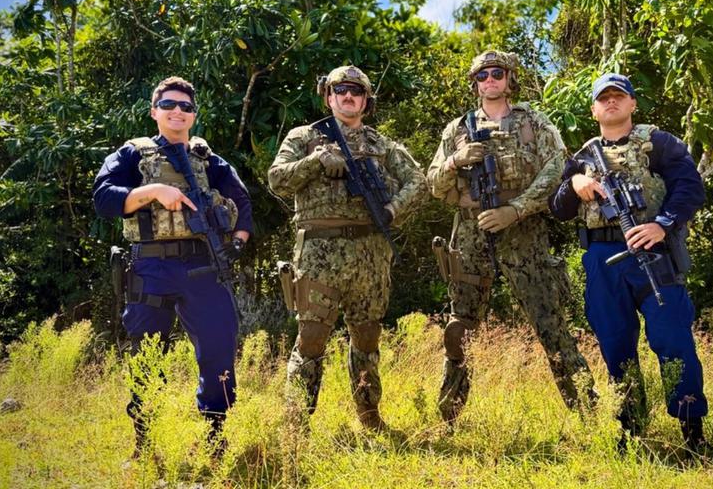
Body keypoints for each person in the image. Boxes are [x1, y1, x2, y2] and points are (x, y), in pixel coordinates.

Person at [548, 72, 712, 453]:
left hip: (654, 254)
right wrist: (574, 185)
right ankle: (631, 432)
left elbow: (690, 188)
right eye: (603, 98)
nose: (611, 102)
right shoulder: (582, 158)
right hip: (603, 261)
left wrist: (662, 224)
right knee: (615, 344)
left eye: (618, 96)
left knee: (673, 340)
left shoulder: (659, 143)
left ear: (632, 103)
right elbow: (558, 208)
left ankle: (693, 434)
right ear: (593, 109)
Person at [427, 50, 593, 424]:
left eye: (496, 73)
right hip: (472, 230)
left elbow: (557, 170)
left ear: (509, 78)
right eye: (482, 76)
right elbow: (433, 182)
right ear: (475, 83)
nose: (490, 80)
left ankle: (590, 413)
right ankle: (447, 419)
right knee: (461, 326)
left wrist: (516, 209)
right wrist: (456, 160)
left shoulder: (534, 121)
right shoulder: (457, 129)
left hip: (524, 231)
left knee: (549, 322)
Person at [93, 76, 252, 456]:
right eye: (168, 105)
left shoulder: (208, 159)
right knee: (147, 353)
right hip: (152, 267)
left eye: (185, 106)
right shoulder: (133, 154)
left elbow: (242, 204)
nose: (177, 111)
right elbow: (103, 198)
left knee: (218, 349)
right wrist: (154, 191)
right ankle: (144, 444)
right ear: (154, 112)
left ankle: (216, 433)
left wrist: (237, 244)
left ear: (193, 115)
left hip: (204, 266)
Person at [268, 65, 427, 430]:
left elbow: (417, 181)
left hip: (370, 252)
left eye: (356, 90)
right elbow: (277, 179)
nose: (348, 95)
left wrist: (392, 209)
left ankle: (370, 417)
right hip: (319, 252)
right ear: (329, 96)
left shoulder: (380, 144)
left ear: (366, 100)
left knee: (367, 337)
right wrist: (315, 161)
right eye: (341, 89)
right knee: (310, 339)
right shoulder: (305, 137)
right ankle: (296, 424)